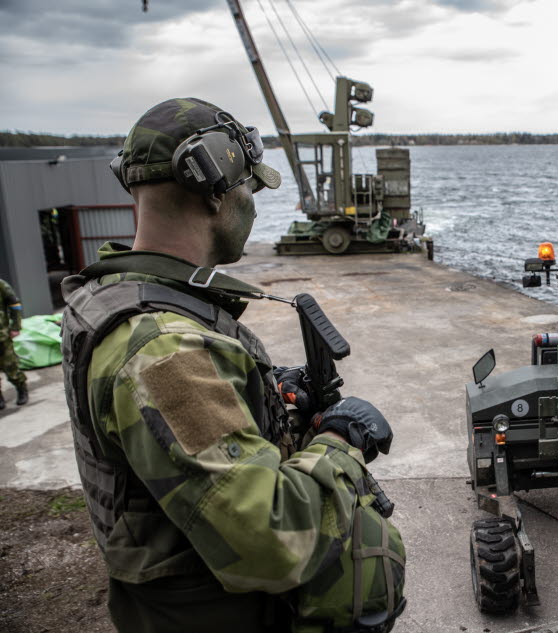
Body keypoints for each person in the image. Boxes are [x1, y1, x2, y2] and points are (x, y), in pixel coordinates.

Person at [60, 98, 405, 633]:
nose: (254, 203)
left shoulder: (121, 297)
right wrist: (341, 443)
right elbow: (270, 540)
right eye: (250, 186)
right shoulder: (163, 350)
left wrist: (269, 402)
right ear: (216, 187)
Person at [0, 278, 27, 409]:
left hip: (1, 336)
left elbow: (14, 304)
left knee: (10, 365)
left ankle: (21, 388)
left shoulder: (1, 285)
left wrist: (15, 326)